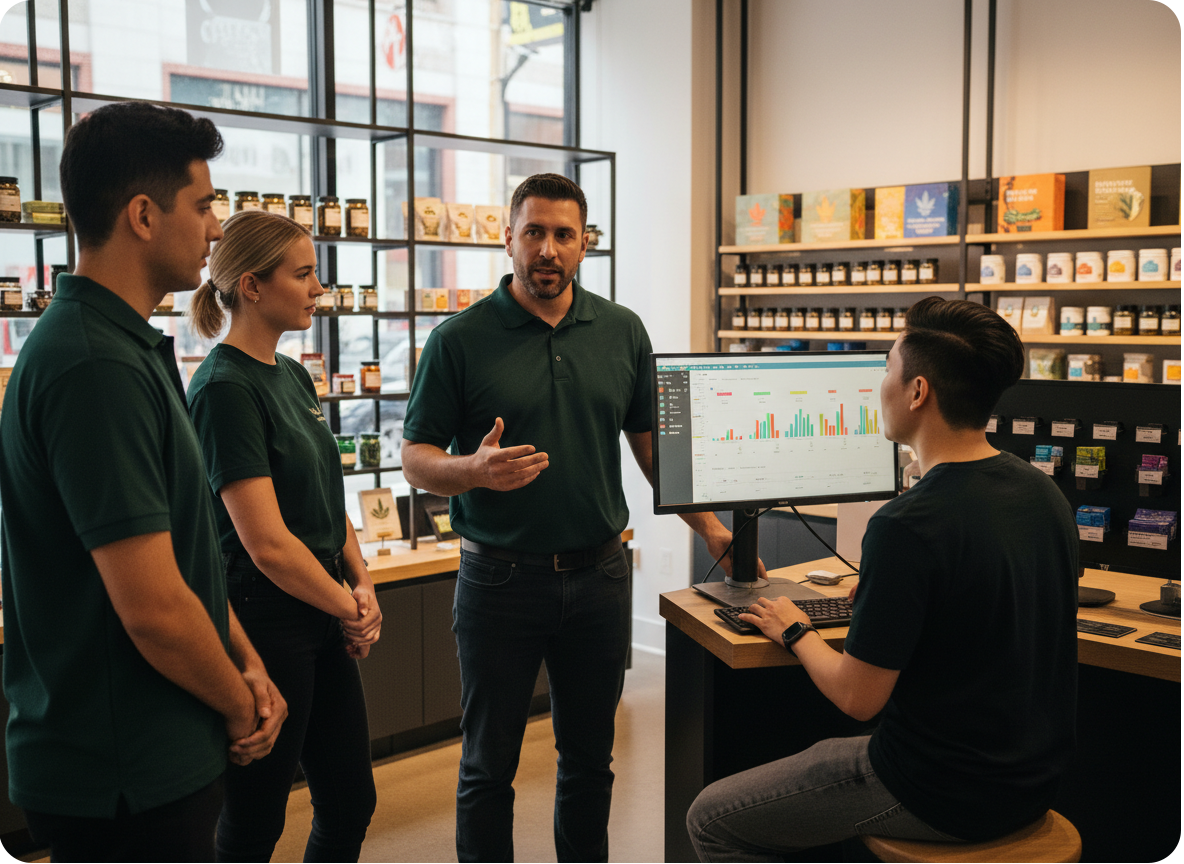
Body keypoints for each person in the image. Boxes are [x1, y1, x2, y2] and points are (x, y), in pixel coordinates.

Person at [401, 173, 755, 863]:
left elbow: (654, 452)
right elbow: (415, 460)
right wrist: (471, 472)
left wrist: (713, 531)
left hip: (598, 576)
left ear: (584, 244)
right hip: (498, 583)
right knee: (486, 768)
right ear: (507, 237)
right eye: (534, 231)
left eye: (564, 234)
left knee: (591, 762)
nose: (548, 249)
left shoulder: (621, 331)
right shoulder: (459, 339)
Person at [686, 296, 1079, 860]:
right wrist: (893, 598)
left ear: (918, 392)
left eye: (887, 370)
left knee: (712, 818)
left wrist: (796, 630)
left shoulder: (906, 524)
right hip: (1031, 782)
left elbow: (857, 697)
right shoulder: (1039, 491)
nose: (879, 387)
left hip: (938, 790)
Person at [0, 101, 287, 861]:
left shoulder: (122, 348)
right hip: (121, 769)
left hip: (156, 751)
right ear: (142, 215)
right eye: (202, 207)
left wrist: (247, 664)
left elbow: (184, 557)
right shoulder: (93, 366)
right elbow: (155, 607)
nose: (215, 229)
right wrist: (240, 703)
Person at [186, 209, 382, 861]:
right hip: (267, 621)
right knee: (254, 821)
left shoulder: (292, 373)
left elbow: (328, 497)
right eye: (303, 275)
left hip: (324, 610)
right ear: (251, 285)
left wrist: (363, 583)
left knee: (351, 802)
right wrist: (347, 605)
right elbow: (265, 544)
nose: (318, 290)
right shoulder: (222, 388)